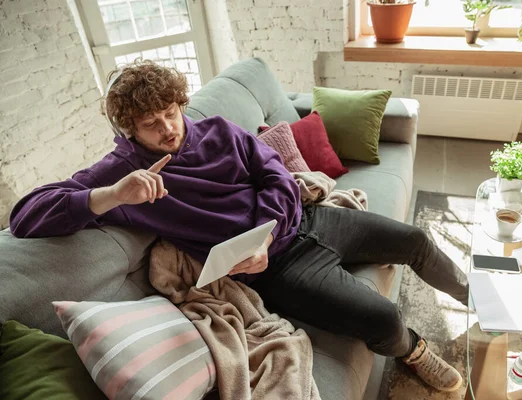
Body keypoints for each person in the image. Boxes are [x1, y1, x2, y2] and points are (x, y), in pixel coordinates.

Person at [10, 59, 469, 392]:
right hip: (274, 269)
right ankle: (412, 350)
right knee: (383, 316)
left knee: (415, 240)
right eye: (151, 124)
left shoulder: (218, 131)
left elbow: (275, 175)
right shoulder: (122, 171)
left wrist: (269, 230)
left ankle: (471, 295)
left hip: (303, 221)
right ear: (130, 130)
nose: (168, 128)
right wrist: (111, 196)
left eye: (171, 112)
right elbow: (25, 215)